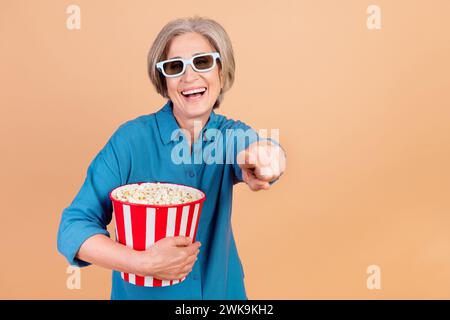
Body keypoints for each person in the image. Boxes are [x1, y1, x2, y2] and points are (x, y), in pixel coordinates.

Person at [57, 16, 286, 300]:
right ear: (164, 82)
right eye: (175, 67)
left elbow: (263, 152)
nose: (190, 77)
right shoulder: (129, 142)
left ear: (221, 73)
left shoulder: (230, 136)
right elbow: (73, 228)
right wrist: (141, 263)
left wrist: (267, 160)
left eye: (202, 62)